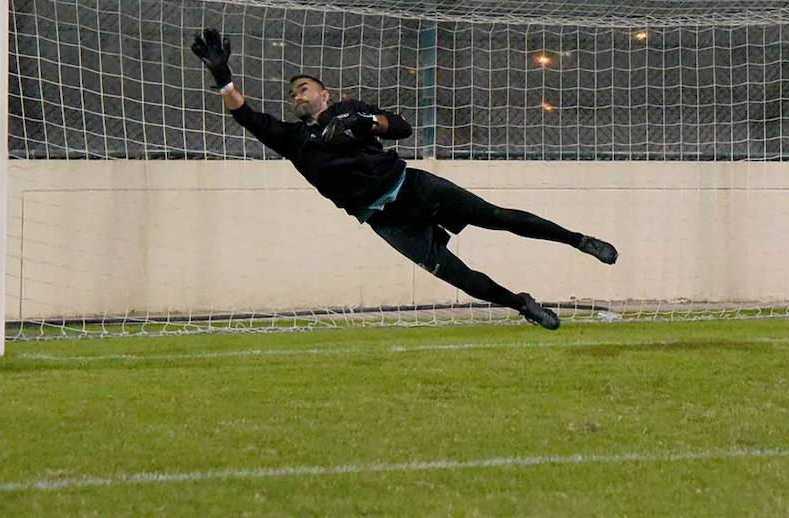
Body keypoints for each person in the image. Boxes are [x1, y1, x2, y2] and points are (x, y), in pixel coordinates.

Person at [190, 28, 617, 330]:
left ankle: (579, 240)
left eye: (304, 88)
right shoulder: (293, 139)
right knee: (457, 276)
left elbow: (401, 127)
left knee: (497, 216)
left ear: (326, 94)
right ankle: (521, 305)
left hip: (412, 185)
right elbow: (243, 113)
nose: (297, 95)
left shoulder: (349, 112)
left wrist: (367, 121)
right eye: (293, 94)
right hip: (385, 219)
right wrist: (220, 74)